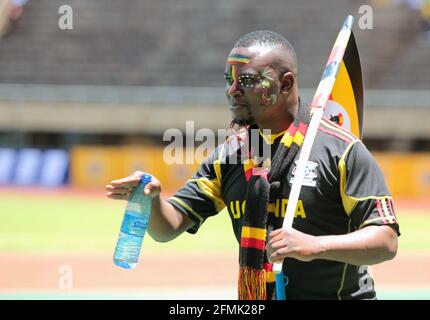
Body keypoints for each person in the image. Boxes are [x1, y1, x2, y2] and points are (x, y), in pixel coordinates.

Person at [106, 30, 400, 300]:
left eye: (246, 81)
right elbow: (167, 229)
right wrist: (152, 200)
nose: (232, 90)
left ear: (285, 83)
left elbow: (385, 241)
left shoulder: (343, 150)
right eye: (228, 80)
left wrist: (315, 245)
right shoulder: (229, 156)